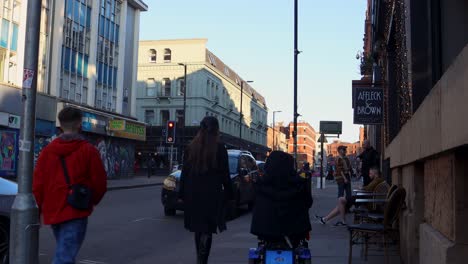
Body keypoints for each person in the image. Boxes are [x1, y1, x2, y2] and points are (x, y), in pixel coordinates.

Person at [33, 107, 107, 264]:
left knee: (65, 251)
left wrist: (38, 210)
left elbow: (38, 185)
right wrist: (90, 201)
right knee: (64, 257)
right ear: (79, 124)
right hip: (76, 211)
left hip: (53, 212)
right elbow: (100, 183)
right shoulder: (88, 151)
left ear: (60, 125)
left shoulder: (47, 152)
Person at [178, 116, 234, 264]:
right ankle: (203, 260)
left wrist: (182, 193)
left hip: (193, 195)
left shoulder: (191, 147)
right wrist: (231, 194)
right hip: (211, 196)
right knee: (207, 230)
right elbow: (225, 176)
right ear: (216, 130)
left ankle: (199, 258)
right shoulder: (220, 148)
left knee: (198, 229)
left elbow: (185, 173)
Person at [251, 151, 312, 248]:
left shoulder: (261, 184)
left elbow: (253, 203)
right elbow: (308, 203)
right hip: (295, 230)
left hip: (265, 230)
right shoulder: (299, 184)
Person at [316, 167, 385, 226]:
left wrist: (361, 188)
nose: (369, 175)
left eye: (370, 173)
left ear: (375, 174)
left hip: (366, 200)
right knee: (341, 204)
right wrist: (362, 188)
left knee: (341, 200)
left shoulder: (377, 180)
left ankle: (342, 221)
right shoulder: (377, 180)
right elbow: (369, 188)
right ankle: (325, 219)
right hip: (365, 198)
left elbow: (368, 189)